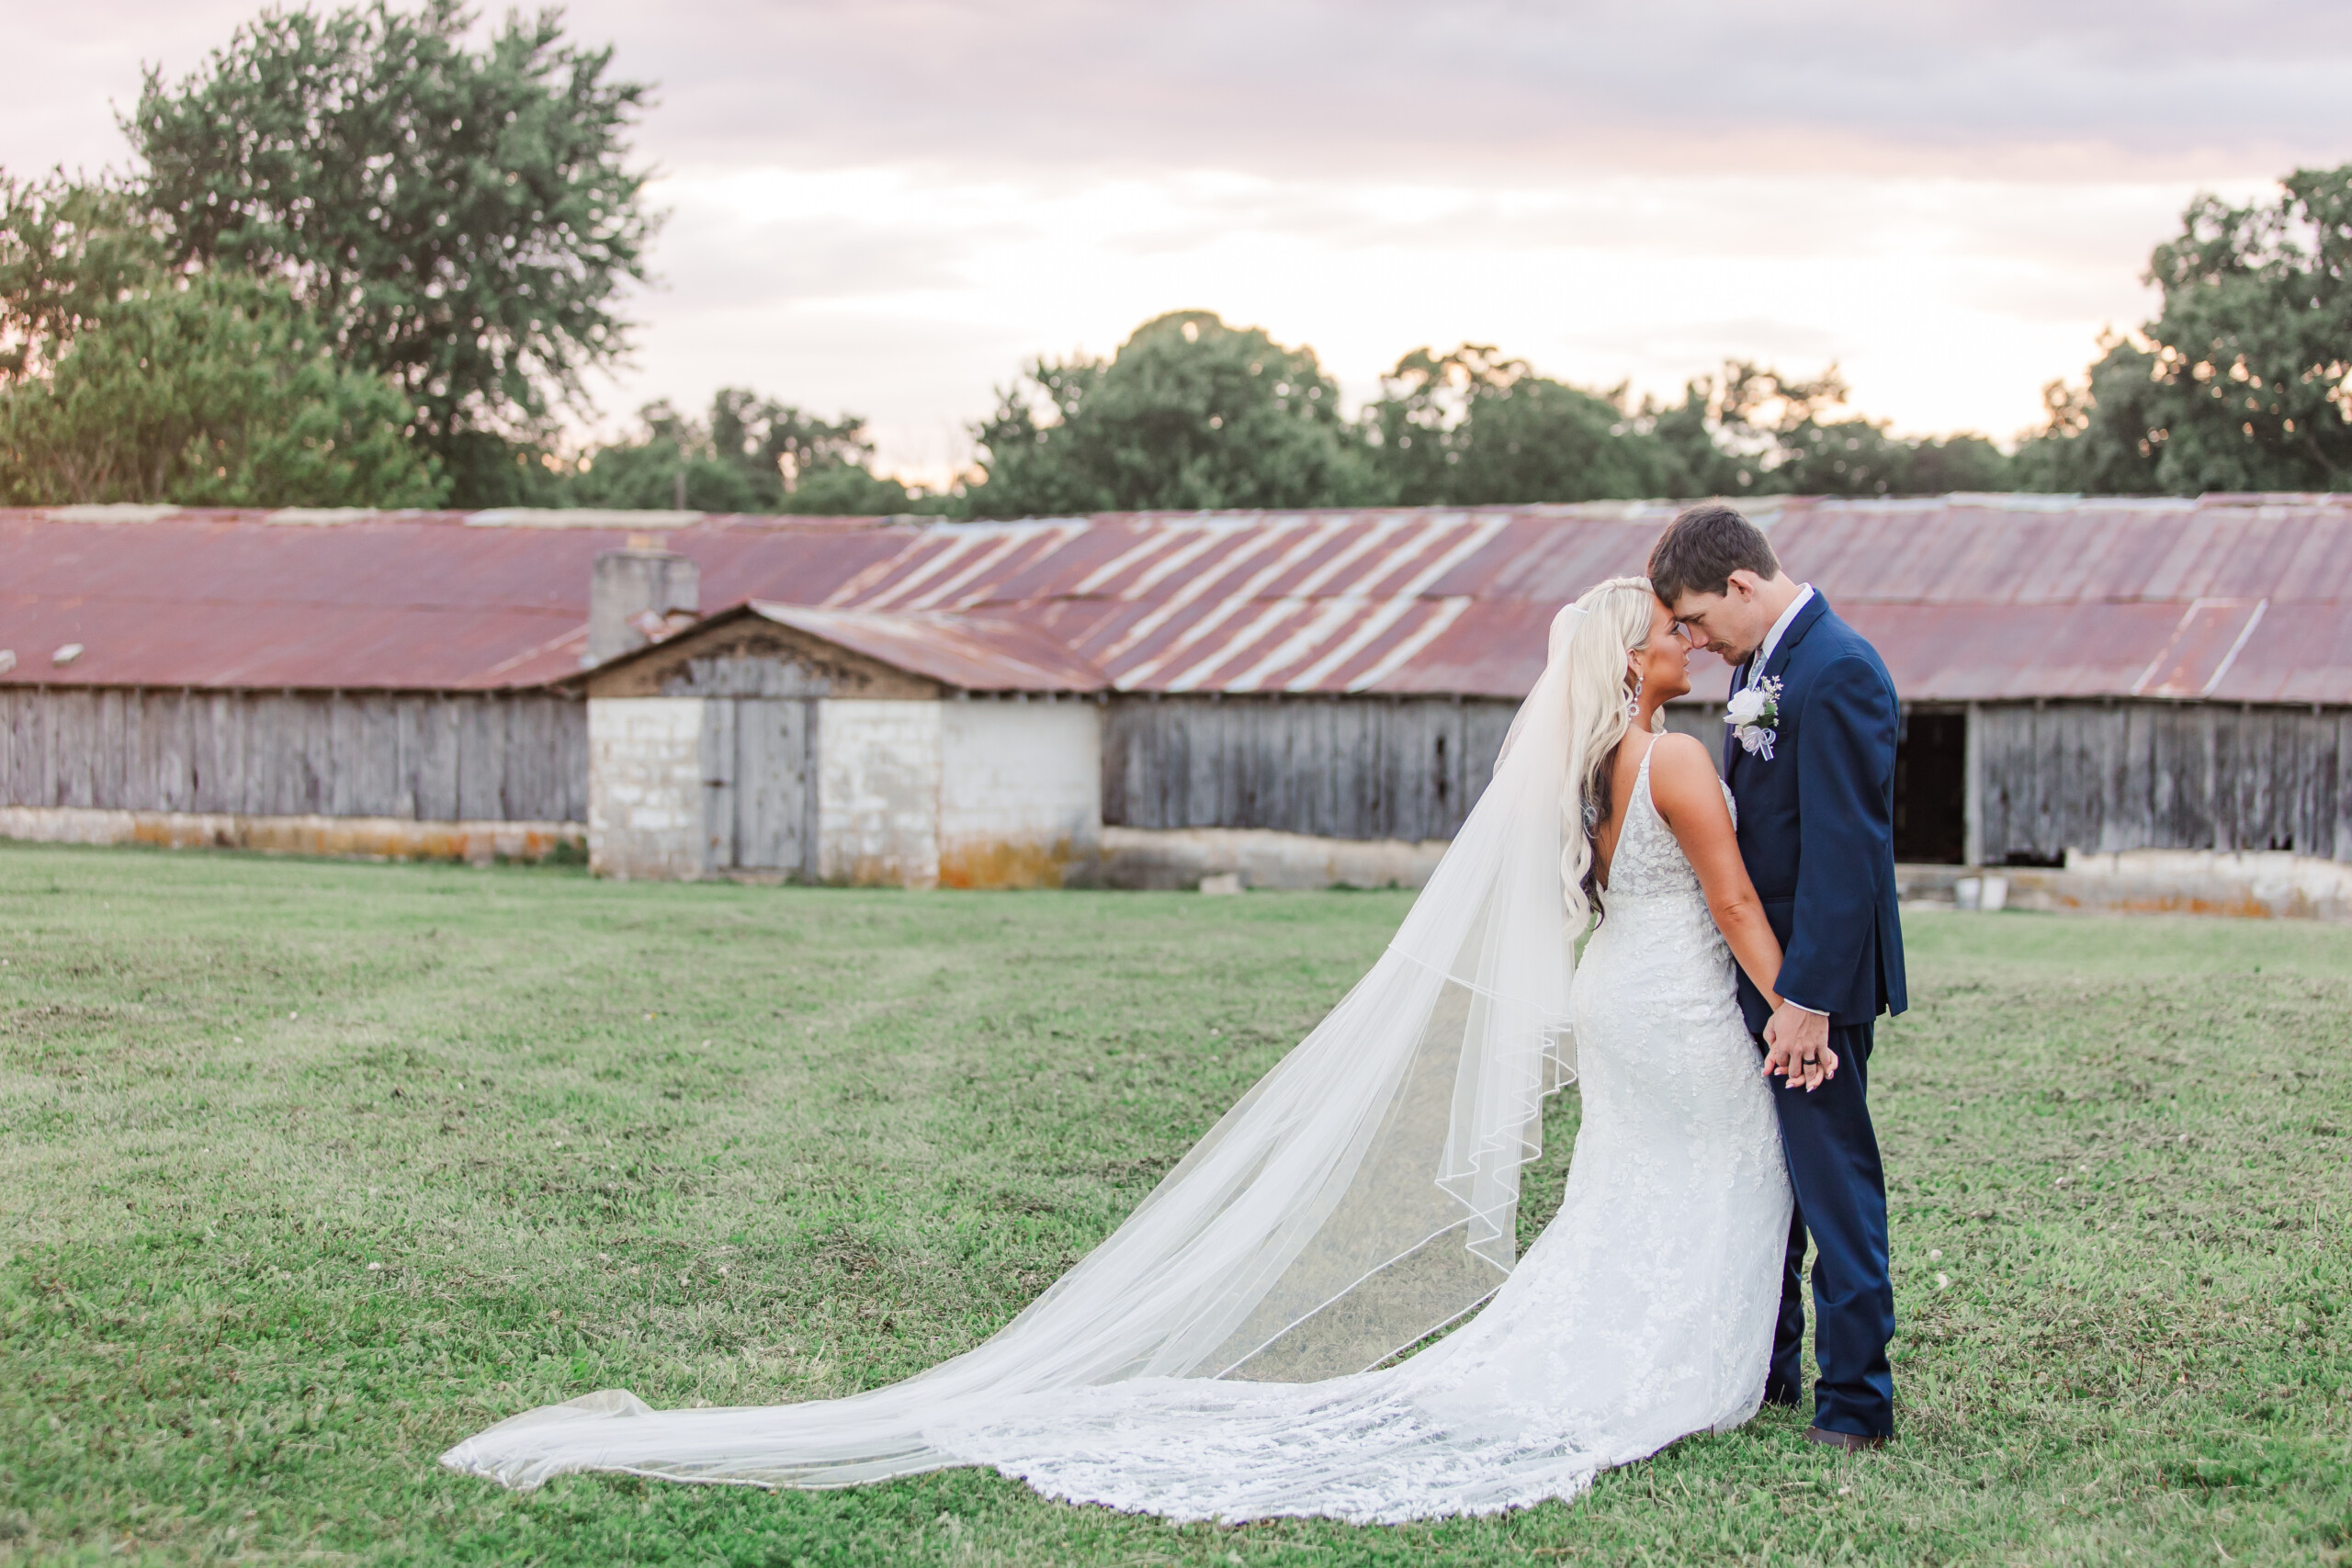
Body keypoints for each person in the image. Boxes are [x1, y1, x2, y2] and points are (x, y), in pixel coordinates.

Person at [442, 577, 1832, 1523]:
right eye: (1664, 630)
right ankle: (1679, 1368)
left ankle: (1652, 1349)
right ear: (1626, 656)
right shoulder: (1678, 760)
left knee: (1633, 1187)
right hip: (1678, 1000)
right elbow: (1729, 900)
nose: (1682, 642)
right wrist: (1788, 1002)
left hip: (1616, 999)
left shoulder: (1586, 768)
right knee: (1709, 1172)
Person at [1648, 503, 1906, 1451]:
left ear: (1742, 587)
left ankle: (1855, 1404)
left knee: (1833, 1179)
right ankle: (1773, 1367)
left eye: (1697, 619)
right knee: (1775, 1179)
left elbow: (1848, 855)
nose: (1695, 642)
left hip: (1810, 984)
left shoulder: (1836, 671)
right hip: (1770, 975)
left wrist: (1806, 1003)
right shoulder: (1764, 664)